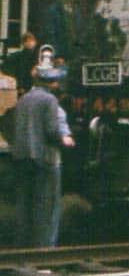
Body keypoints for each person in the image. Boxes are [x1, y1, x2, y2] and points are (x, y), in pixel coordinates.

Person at [10, 62, 73, 248]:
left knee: (25, 207)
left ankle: (23, 251)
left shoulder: (24, 99)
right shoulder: (50, 101)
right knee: (47, 209)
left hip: (22, 158)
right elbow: (52, 130)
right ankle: (46, 252)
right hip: (45, 160)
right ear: (52, 83)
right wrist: (65, 140)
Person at [42, 0, 85, 65]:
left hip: (75, 57)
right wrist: (57, 56)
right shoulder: (53, 11)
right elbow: (50, 35)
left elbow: (80, 33)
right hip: (60, 58)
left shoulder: (77, 11)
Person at [2, 31, 39, 96]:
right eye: (27, 41)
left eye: (31, 41)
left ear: (35, 42)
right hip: (22, 86)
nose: (29, 43)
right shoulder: (18, 57)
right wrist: (20, 87)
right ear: (23, 43)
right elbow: (17, 72)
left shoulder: (37, 56)